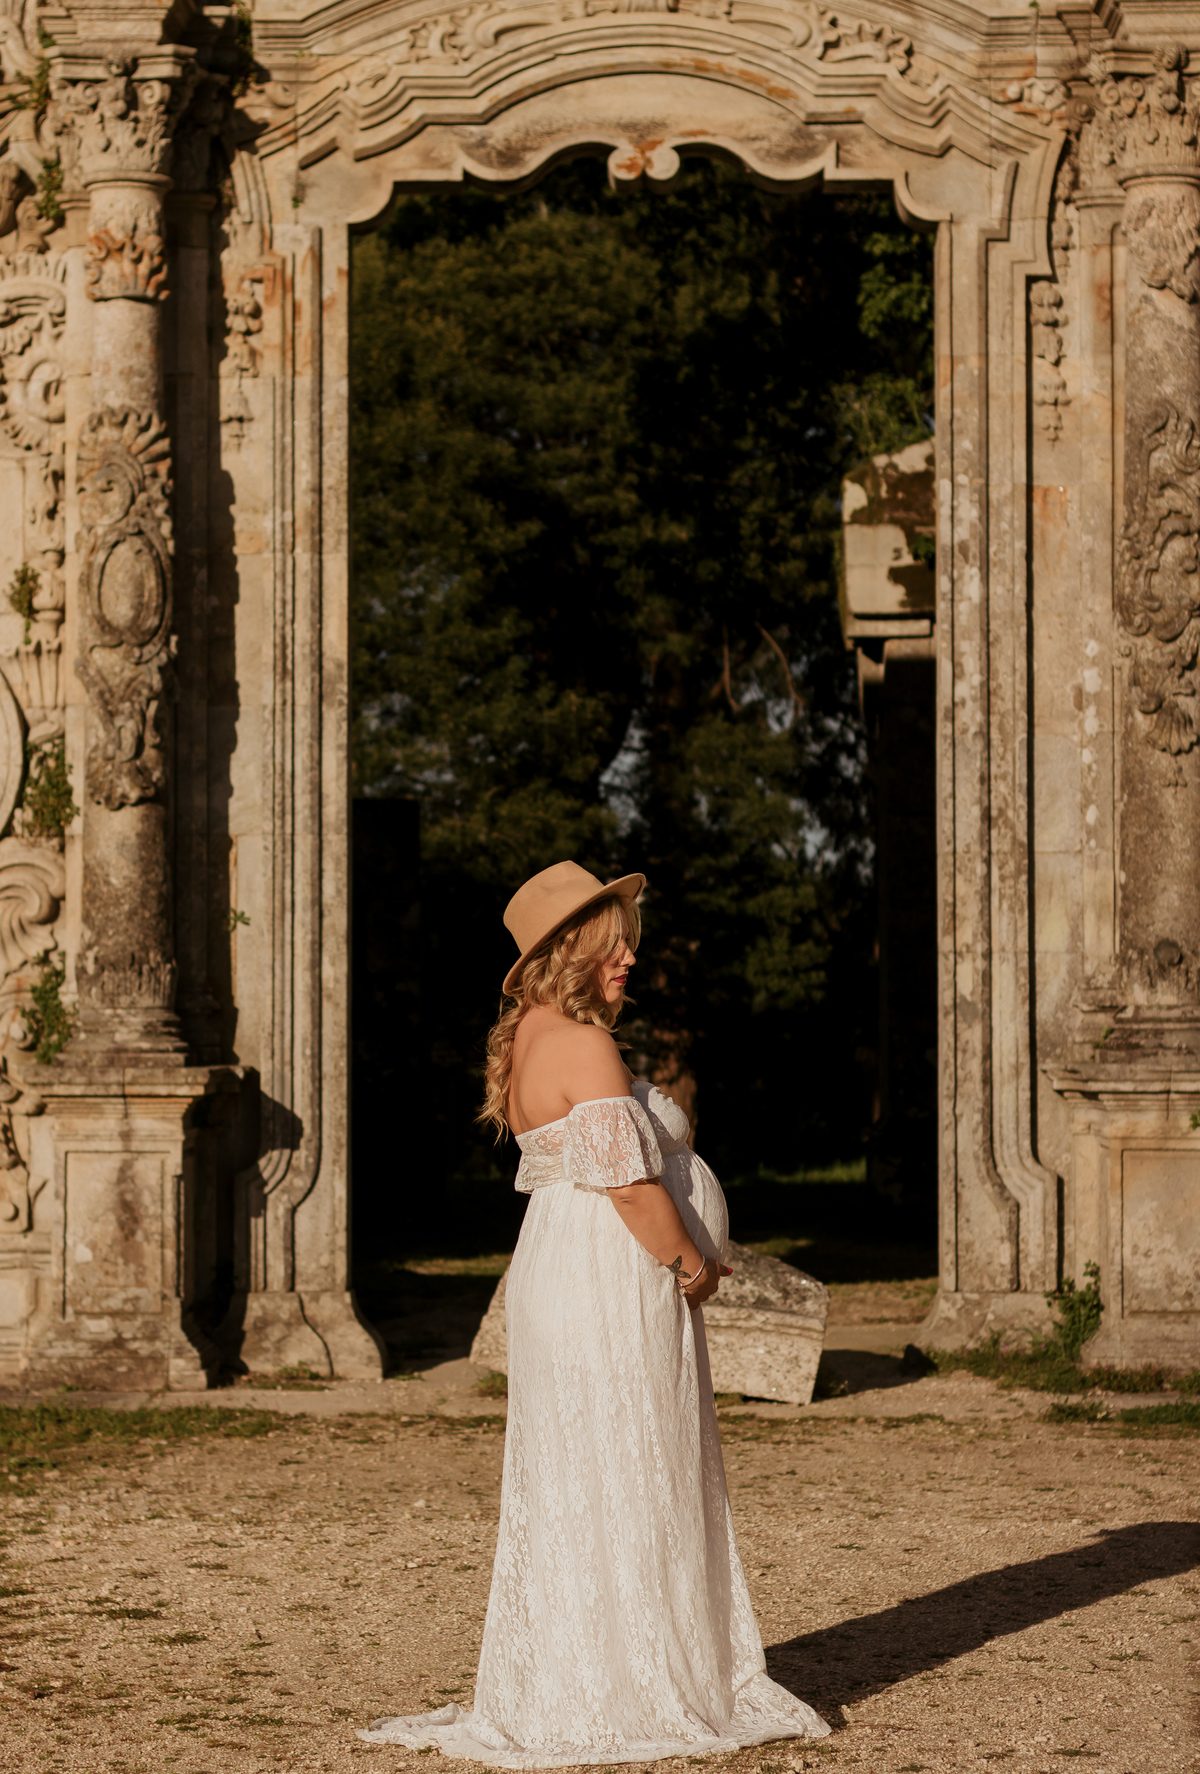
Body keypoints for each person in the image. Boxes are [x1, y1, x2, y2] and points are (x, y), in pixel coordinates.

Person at [360, 862, 830, 1766]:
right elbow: (628, 1183)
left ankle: (596, 1669)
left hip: (562, 1267)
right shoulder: (581, 1044)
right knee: (629, 1459)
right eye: (614, 945)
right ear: (570, 947)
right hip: (610, 1278)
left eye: (630, 944)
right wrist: (694, 1262)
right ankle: (626, 1683)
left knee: (588, 1469)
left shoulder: (536, 1035)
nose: (629, 961)